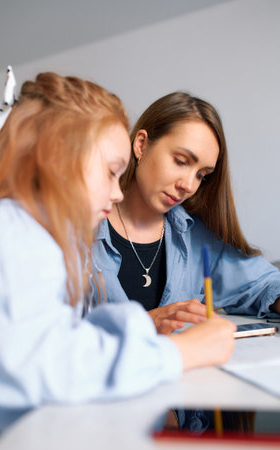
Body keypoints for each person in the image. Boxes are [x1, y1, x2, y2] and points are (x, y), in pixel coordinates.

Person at [0, 73, 235, 446]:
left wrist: (140, 328)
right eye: (111, 172)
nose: (117, 191)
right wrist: (180, 352)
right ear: (58, 156)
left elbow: (43, 340)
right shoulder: (12, 236)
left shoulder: (30, 235)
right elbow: (53, 370)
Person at [94, 91, 280, 334]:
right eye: (181, 161)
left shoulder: (195, 236)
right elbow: (48, 331)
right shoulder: (75, 229)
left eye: (202, 175)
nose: (189, 186)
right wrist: (147, 322)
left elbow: (262, 284)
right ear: (141, 145)